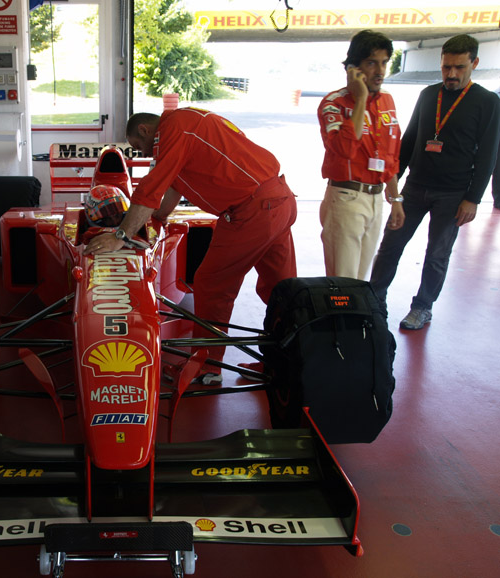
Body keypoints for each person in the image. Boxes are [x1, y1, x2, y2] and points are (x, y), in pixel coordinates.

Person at [83, 108, 298, 384]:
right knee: (282, 290)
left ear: (146, 131)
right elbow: (173, 189)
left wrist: (121, 235)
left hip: (251, 210)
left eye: (140, 146)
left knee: (210, 284)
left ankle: (205, 367)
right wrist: (157, 218)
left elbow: (152, 186)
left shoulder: (172, 129)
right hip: (279, 199)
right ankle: (289, 364)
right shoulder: (187, 126)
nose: (146, 154)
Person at [370, 34, 500, 330]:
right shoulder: (429, 95)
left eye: (459, 67)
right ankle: (375, 299)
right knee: (391, 245)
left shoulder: (487, 102)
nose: (451, 74)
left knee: (437, 254)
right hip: (415, 187)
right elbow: (411, 138)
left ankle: (422, 307)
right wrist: (393, 180)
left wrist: (474, 198)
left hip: (453, 194)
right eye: (446, 67)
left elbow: (489, 154)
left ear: (474, 64)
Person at [317, 29, 404, 280]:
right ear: (353, 68)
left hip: (377, 200)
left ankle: (352, 321)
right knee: (342, 283)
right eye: (371, 63)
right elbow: (344, 150)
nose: (380, 71)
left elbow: (390, 154)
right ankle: (338, 321)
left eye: (384, 63)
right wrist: (361, 100)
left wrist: (395, 199)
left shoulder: (387, 100)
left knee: (359, 282)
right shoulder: (333, 103)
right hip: (346, 199)